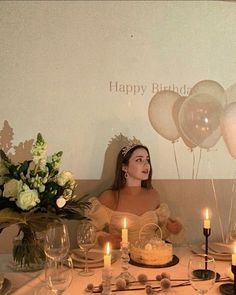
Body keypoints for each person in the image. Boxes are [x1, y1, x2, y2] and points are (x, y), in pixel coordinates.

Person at [87, 141, 183, 249]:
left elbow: (159, 235)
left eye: (147, 160)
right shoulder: (110, 197)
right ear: (124, 167)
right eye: (139, 160)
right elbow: (87, 232)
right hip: (121, 261)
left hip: (149, 260)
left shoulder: (154, 195)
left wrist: (172, 229)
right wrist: (103, 239)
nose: (146, 165)